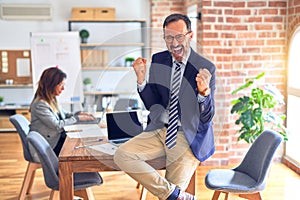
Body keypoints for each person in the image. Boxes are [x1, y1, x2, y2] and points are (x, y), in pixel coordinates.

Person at [114, 13, 216, 200]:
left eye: (179, 36)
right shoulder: (159, 59)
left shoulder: (204, 66)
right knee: (121, 155)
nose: (174, 42)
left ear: (190, 36)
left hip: (187, 136)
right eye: (169, 37)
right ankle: (175, 195)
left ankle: (173, 195)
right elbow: (153, 104)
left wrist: (204, 94)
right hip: (159, 131)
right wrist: (141, 80)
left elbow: (207, 117)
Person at [29, 67, 95, 156]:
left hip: (56, 139)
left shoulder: (51, 99)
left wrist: (78, 114)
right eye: (60, 85)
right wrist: (77, 118)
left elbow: (63, 115)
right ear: (51, 85)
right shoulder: (40, 104)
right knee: (81, 148)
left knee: (83, 142)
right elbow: (57, 126)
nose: (63, 88)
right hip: (49, 145)